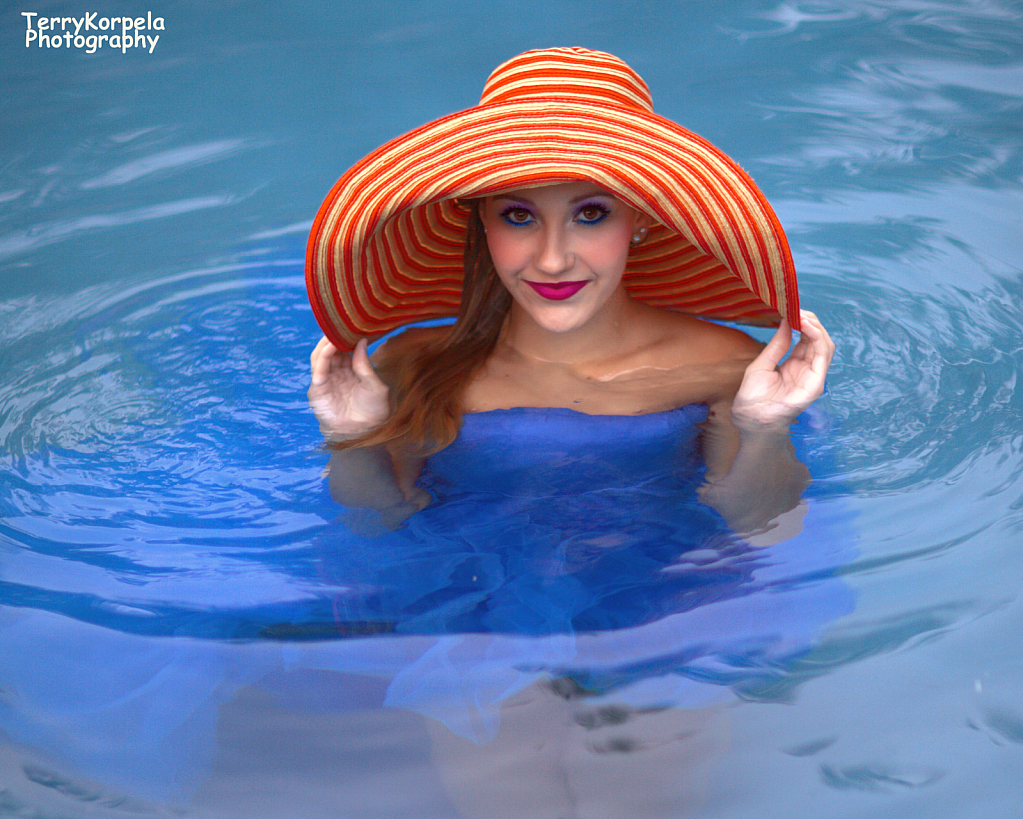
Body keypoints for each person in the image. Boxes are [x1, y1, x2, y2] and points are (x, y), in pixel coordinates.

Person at [305, 47, 833, 538]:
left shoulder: (729, 367)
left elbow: (761, 528)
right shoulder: (408, 360)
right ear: (481, 222)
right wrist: (350, 437)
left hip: (658, 602)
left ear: (641, 218)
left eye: (591, 214)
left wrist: (766, 428)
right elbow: (377, 526)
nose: (553, 259)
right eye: (518, 216)